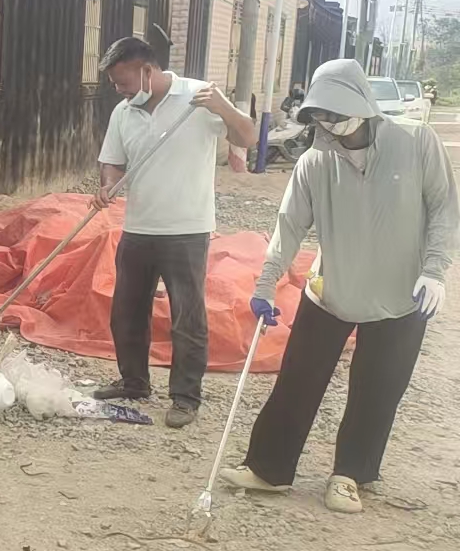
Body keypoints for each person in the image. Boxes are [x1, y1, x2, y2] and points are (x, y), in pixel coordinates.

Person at [221, 58, 458, 512]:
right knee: (298, 379)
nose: (330, 124)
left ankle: (350, 475)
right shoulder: (314, 161)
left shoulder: (415, 141)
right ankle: (269, 469)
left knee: (378, 388)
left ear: (362, 104)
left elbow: (443, 208)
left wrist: (434, 269)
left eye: (336, 113)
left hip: (400, 293)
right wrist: (266, 283)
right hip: (331, 290)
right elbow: (289, 225)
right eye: (321, 115)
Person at [90, 37, 260, 428]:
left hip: (187, 229)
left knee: (187, 316)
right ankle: (133, 381)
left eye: (123, 82)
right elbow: (112, 162)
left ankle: (185, 397)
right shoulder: (123, 112)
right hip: (138, 226)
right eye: (114, 83)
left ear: (147, 71)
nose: (119, 90)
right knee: (127, 311)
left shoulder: (198, 98)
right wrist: (108, 185)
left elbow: (247, 137)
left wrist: (224, 107)